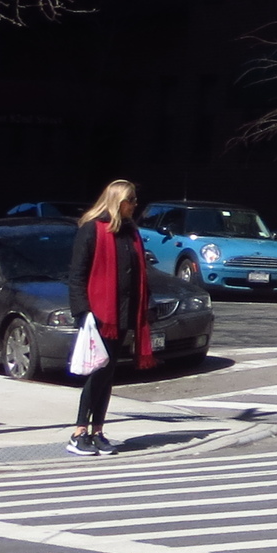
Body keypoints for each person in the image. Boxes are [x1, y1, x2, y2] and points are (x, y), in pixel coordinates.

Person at [65, 180, 153, 457]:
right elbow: (77, 275)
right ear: (118, 201)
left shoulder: (131, 232)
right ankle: (79, 432)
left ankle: (98, 431)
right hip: (100, 315)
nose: (135, 204)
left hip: (123, 313)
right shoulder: (92, 229)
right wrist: (83, 312)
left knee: (108, 374)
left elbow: (137, 273)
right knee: (98, 373)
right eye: (131, 200)